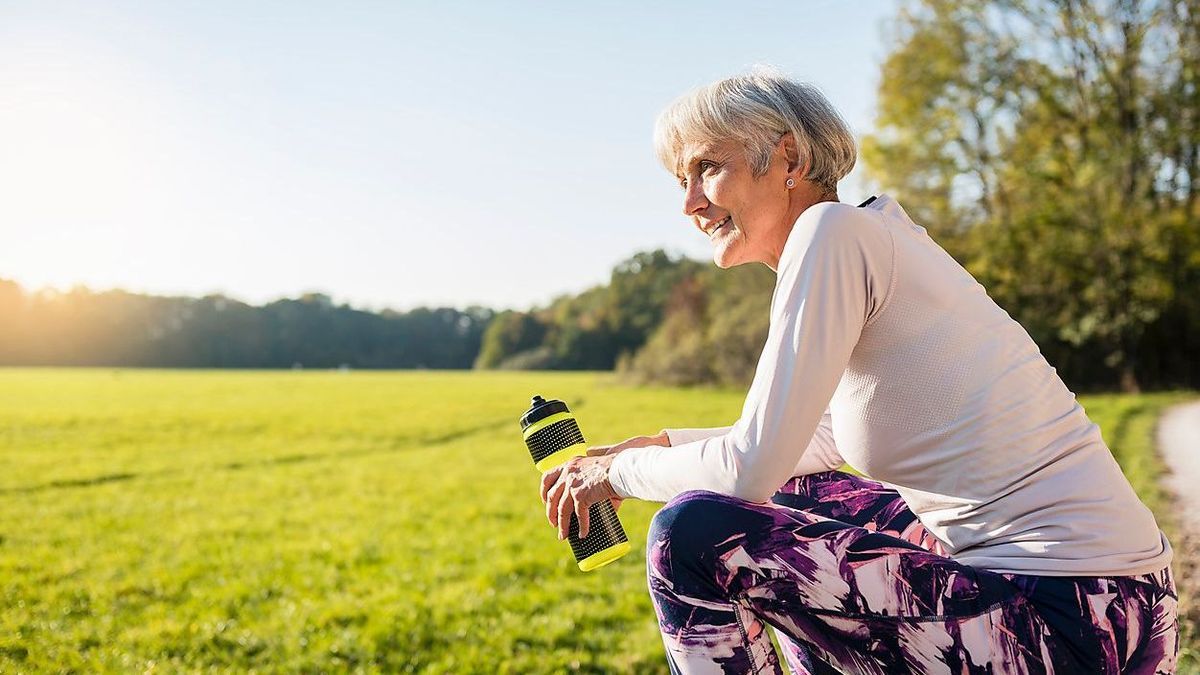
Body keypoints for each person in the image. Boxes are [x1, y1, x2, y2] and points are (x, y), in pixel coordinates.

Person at [538, 66, 1178, 674]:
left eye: (707, 167)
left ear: (788, 158)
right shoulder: (869, 235)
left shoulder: (830, 234)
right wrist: (658, 448)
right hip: (1122, 605)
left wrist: (616, 475)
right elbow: (812, 443)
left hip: (1069, 619)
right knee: (786, 497)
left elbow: (750, 463)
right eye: (681, 178)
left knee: (691, 535)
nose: (689, 203)